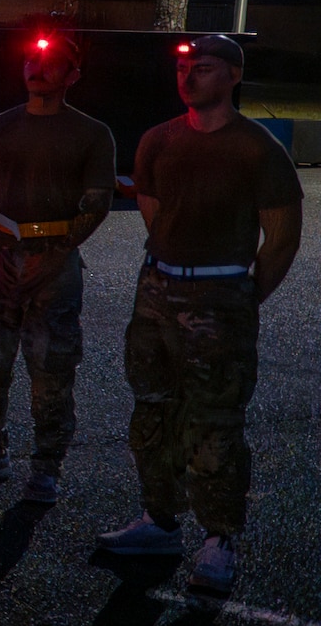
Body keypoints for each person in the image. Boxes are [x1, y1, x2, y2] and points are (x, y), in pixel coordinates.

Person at [96, 34, 301, 597]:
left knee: (214, 421)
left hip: (222, 296)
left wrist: (238, 299)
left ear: (233, 75)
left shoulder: (257, 148)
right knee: (153, 411)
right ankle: (159, 521)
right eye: (185, 67)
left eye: (204, 68)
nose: (188, 77)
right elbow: (153, 212)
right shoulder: (158, 140)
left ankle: (218, 540)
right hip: (157, 290)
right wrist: (174, 277)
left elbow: (282, 238)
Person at [0, 32, 115, 503]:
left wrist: (56, 256)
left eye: (51, 62)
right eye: (31, 61)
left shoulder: (92, 133)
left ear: (72, 76)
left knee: (52, 372)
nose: (37, 69)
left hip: (55, 266)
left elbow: (97, 203)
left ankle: (45, 468)